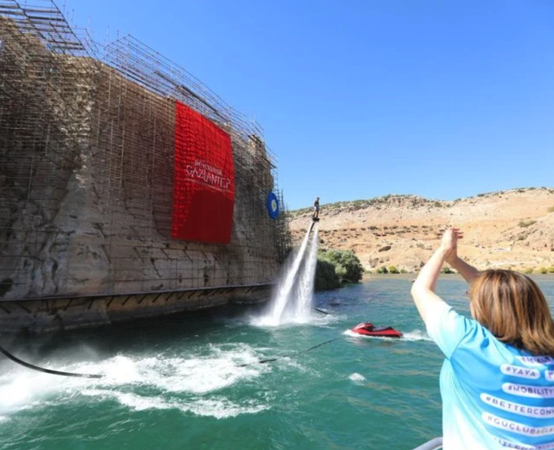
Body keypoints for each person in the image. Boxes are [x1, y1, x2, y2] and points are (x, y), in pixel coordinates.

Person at [411, 228, 554, 450]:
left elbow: (420, 289)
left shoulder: (469, 344)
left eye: (471, 297)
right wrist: (455, 261)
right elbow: (501, 295)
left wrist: (444, 251)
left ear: (485, 307)